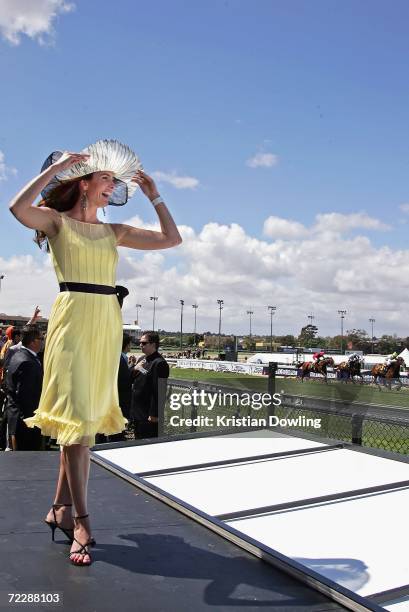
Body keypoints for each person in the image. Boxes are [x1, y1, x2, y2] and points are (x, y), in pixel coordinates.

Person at [9, 139, 182, 566]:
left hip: (106, 322)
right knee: (76, 422)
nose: (112, 185)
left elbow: (171, 239)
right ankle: (82, 519)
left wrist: (155, 195)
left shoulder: (113, 232)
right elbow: (17, 208)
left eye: (113, 180)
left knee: (83, 420)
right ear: (84, 183)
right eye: (105, 177)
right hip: (71, 319)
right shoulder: (55, 223)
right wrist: (59, 168)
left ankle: (59, 508)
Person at [4, 326, 44, 451]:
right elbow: (26, 397)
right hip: (26, 423)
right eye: (41, 338)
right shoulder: (28, 362)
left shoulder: (19, 355)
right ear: (33, 342)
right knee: (28, 462)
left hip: (16, 419)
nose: (43, 341)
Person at [130, 331, 170, 439]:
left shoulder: (159, 363)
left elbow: (159, 390)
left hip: (148, 415)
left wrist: (155, 414)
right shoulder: (142, 359)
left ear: (153, 344)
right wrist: (134, 368)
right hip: (138, 412)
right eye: (140, 343)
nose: (140, 345)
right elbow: (132, 378)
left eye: (144, 343)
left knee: (148, 444)